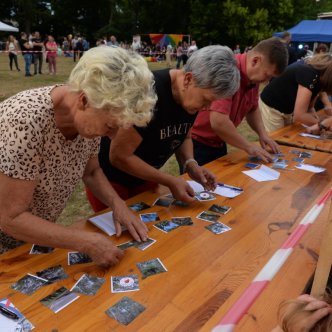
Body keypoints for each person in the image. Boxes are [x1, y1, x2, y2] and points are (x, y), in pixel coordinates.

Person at [0, 46, 157, 267]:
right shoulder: (25, 121)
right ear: (83, 100)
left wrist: (117, 204)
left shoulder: (88, 117)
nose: (111, 137)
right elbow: (10, 218)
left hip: (29, 240)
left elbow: (91, 171)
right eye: (110, 126)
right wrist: (85, 242)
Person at [86, 45, 240, 212]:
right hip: (111, 181)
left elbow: (184, 135)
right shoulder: (149, 92)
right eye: (206, 100)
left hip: (145, 177)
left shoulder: (190, 98)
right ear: (188, 79)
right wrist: (169, 180)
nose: (207, 107)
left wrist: (190, 163)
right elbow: (119, 156)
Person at [191, 37, 288, 166]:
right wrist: (249, 147)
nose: (266, 81)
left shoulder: (253, 77)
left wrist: (262, 134)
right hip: (197, 143)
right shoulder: (228, 70)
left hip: (219, 141)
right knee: (198, 185)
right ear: (255, 61)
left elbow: (252, 108)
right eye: (267, 75)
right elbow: (219, 122)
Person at [260, 53, 332, 132]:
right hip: (272, 107)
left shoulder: (318, 77)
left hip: (286, 110)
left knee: (288, 135)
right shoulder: (309, 73)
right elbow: (299, 115)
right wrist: (323, 125)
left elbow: (310, 107)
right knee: (276, 140)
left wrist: (318, 122)